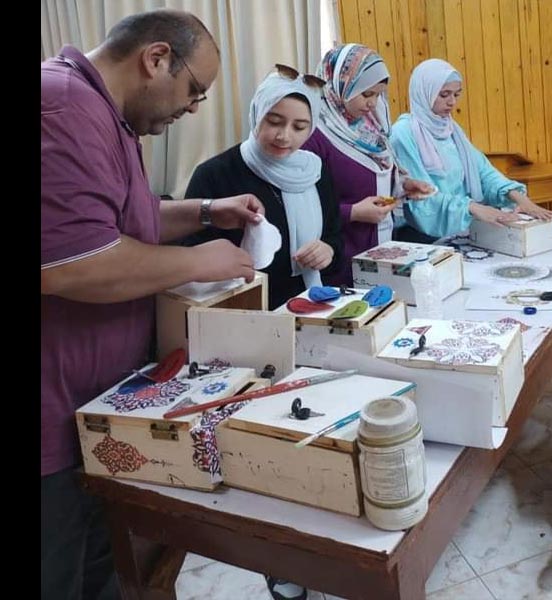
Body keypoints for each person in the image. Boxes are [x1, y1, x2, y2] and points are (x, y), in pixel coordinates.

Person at [41, 10, 263, 599]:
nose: (192, 109)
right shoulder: (61, 109)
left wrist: (206, 212)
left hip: (95, 405)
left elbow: (120, 225)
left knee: (110, 571)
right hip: (49, 424)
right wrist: (200, 261)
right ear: (156, 58)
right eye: (193, 91)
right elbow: (73, 265)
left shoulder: (107, 118)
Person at [184, 65, 342, 310]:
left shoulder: (313, 172)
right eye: (274, 121)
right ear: (257, 113)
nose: (284, 136)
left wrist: (328, 251)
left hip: (308, 300)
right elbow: (193, 252)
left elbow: (334, 235)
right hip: (241, 305)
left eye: (299, 127)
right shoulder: (215, 174)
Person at [302, 43, 433, 286]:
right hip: (340, 261)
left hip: (380, 251)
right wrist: (353, 213)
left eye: (378, 94)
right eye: (366, 94)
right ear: (341, 86)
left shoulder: (371, 126)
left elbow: (378, 177)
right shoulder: (313, 135)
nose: (373, 103)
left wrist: (403, 186)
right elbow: (304, 206)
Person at [389, 58, 552, 243]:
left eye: (457, 94)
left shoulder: (451, 129)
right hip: (424, 236)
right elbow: (422, 197)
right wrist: (473, 208)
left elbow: (483, 171)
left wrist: (520, 199)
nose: (452, 102)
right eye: (444, 94)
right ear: (424, 93)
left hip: (461, 228)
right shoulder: (404, 133)